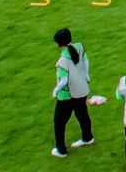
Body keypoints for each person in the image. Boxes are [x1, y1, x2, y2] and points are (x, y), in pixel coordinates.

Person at [51, 27, 95, 157]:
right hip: (81, 89)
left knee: (59, 122)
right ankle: (87, 137)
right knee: (82, 113)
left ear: (59, 43)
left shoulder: (62, 61)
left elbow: (64, 80)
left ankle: (61, 150)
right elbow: (86, 62)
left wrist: (55, 90)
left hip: (67, 95)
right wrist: (87, 75)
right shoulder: (80, 47)